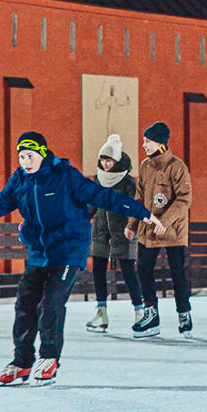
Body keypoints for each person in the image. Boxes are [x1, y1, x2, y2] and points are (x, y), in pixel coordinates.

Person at [0, 131, 159, 385]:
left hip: (69, 250)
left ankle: (49, 357)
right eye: (22, 157)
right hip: (39, 253)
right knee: (25, 304)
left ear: (43, 153)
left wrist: (142, 213)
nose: (26, 162)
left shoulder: (65, 175)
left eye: (30, 156)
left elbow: (104, 196)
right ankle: (22, 362)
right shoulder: (20, 181)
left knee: (50, 303)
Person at [127, 121, 194, 339]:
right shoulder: (146, 166)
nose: (144, 145)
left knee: (178, 273)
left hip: (173, 230)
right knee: (143, 268)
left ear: (160, 142)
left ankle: (184, 313)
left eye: (147, 141)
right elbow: (139, 198)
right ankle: (151, 313)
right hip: (148, 229)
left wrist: (165, 220)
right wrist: (132, 224)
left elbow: (184, 199)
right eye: (144, 141)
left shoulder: (177, 166)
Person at [84, 135, 145, 333]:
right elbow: (92, 204)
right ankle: (101, 313)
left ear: (117, 161)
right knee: (98, 271)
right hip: (101, 231)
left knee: (128, 272)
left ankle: (140, 312)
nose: (105, 163)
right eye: (103, 159)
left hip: (123, 232)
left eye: (109, 160)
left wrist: (131, 226)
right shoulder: (98, 180)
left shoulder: (127, 182)